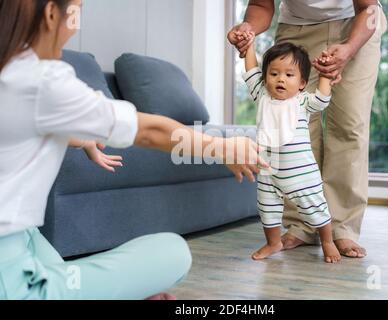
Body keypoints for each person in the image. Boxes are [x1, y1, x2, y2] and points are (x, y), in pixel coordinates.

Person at [0, 0, 267, 300]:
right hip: (15, 278)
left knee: (41, 249)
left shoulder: (13, 74)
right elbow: (149, 132)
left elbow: (24, 128)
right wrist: (222, 147)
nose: (77, 22)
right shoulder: (41, 79)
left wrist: (82, 137)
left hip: (22, 240)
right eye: (76, 10)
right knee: (173, 252)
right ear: (51, 14)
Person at [228, 0, 387, 258]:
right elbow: (261, 4)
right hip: (297, 27)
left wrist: (349, 48)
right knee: (297, 131)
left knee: (349, 125)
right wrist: (247, 30)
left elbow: (368, 7)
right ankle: (302, 224)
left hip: (356, 24)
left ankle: (341, 228)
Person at [240, 32, 340, 263]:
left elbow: (322, 99)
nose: (280, 79)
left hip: (301, 174)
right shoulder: (262, 94)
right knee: (267, 209)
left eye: (288, 75)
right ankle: (273, 243)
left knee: (315, 207)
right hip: (268, 171)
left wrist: (325, 73)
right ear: (266, 78)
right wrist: (249, 46)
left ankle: (327, 241)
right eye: (274, 74)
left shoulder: (302, 101)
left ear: (302, 83)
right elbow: (251, 70)